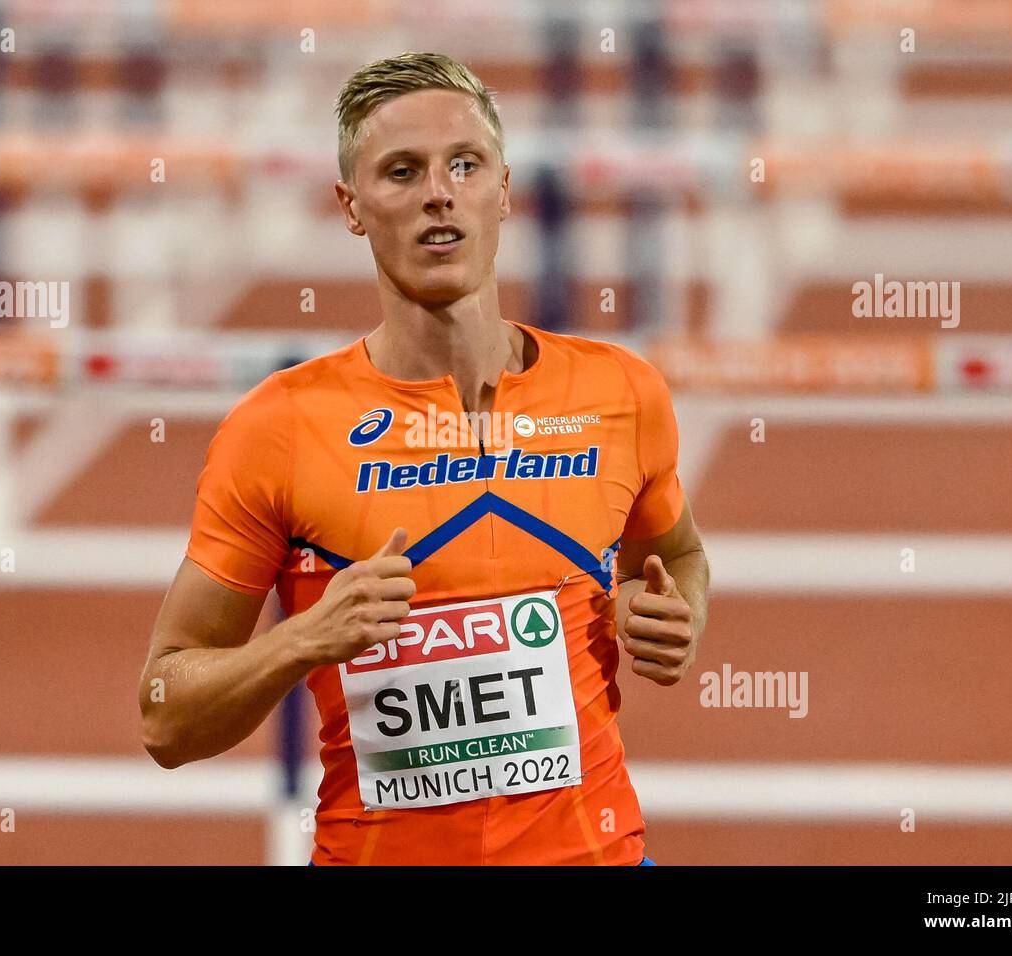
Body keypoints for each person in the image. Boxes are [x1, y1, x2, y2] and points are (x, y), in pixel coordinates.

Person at [139, 52, 709, 865]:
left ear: (504, 190)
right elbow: (164, 717)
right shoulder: (281, 427)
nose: (439, 192)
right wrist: (302, 640)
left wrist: (677, 618)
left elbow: (679, 553)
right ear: (352, 208)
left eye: (464, 165)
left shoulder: (621, 394)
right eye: (402, 172)